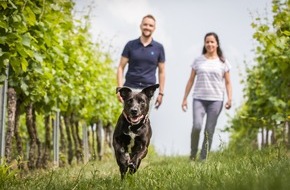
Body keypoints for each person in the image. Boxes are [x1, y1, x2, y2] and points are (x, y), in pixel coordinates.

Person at [181, 32, 232, 161]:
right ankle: (193, 154)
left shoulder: (223, 62)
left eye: (212, 42)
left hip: (216, 100)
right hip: (199, 98)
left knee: (209, 130)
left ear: (217, 44)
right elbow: (191, 80)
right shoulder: (198, 60)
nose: (209, 44)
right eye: (207, 42)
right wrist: (184, 98)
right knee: (197, 126)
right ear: (205, 44)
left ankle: (203, 158)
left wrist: (229, 98)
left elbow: (228, 82)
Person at [117, 14, 165, 109]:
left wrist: (161, 93)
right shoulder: (130, 45)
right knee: (128, 120)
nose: (147, 27)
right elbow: (120, 67)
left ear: (154, 28)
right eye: (145, 24)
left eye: (150, 25)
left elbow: (162, 71)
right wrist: (120, 88)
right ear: (141, 26)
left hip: (147, 91)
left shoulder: (159, 48)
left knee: (143, 121)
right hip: (130, 88)